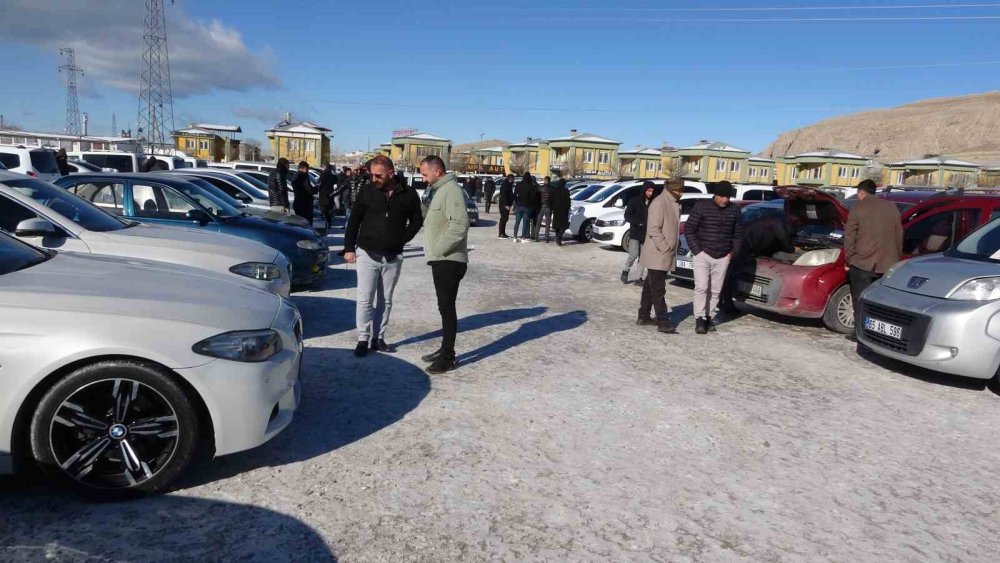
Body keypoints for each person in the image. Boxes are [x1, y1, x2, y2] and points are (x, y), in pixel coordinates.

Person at [343, 155, 423, 357]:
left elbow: (416, 221)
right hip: (367, 253)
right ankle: (363, 338)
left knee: (386, 300)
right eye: (371, 175)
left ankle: (378, 338)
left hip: (393, 257)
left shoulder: (408, 194)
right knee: (365, 299)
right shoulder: (367, 191)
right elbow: (354, 220)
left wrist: (401, 240)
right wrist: (349, 248)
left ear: (391, 173)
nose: (374, 179)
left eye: (378, 175)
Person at [418, 155, 471, 374]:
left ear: (437, 171)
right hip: (441, 259)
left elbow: (460, 224)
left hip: (449, 259)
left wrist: (439, 249)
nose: (423, 179)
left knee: (447, 308)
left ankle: (448, 356)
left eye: (424, 174)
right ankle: (444, 349)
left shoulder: (452, 191)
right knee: (444, 307)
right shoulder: (438, 191)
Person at [845, 178, 902, 340]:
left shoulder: (858, 208)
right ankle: (879, 334)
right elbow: (899, 235)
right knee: (881, 303)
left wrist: (850, 257)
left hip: (862, 263)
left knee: (860, 301)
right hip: (887, 264)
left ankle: (859, 333)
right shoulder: (892, 208)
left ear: (861, 193)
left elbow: (850, 236)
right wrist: (896, 258)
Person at [685, 181, 744, 334]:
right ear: (716, 195)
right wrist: (697, 251)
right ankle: (699, 318)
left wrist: (732, 253)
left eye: (728, 197)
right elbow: (689, 229)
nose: (726, 199)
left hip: (723, 256)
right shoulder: (701, 207)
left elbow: (738, 235)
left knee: (716, 290)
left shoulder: (735, 211)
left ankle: (708, 317)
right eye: (723, 196)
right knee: (702, 287)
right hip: (703, 254)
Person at [718, 213, 795, 315]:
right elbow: (786, 244)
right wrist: (792, 248)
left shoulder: (766, 220)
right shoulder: (777, 224)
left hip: (737, 243)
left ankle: (721, 300)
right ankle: (726, 304)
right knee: (730, 276)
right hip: (743, 246)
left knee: (728, 275)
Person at [638, 179, 684, 333]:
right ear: (673, 190)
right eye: (680, 189)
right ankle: (663, 322)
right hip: (657, 253)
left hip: (662, 253)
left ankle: (643, 316)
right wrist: (665, 247)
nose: (682, 192)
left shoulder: (672, 202)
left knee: (650, 286)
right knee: (658, 289)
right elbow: (653, 229)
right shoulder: (659, 203)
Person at [621, 181, 658, 284]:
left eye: (652, 191)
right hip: (635, 233)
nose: (650, 193)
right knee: (633, 254)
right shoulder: (634, 201)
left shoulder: (653, 203)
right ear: (644, 190)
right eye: (649, 190)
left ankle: (638, 278)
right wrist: (637, 222)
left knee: (643, 257)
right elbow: (627, 215)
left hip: (647, 234)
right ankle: (625, 270)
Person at [513, 172, 536, 243]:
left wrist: (516, 203)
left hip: (519, 205)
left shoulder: (518, 184)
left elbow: (515, 194)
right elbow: (533, 197)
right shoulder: (531, 186)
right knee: (525, 223)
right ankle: (523, 237)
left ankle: (515, 237)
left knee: (517, 222)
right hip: (527, 206)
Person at [291, 161, 315, 226]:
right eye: (307, 169)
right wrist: (316, 188)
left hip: (297, 202)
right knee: (307, 223)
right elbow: (310, 190)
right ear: (304, 168)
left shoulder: (294, 176)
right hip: (305, 204)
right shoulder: (304, 176)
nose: (308, 171)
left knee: (299, 222)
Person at [549, 178, 572, 246]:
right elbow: (568, 200)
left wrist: (552, 208)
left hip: (556, 210)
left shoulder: (554, 190)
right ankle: (558, 238)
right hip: (563, 210)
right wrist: (568, 207)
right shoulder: (565, 190)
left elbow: (551, 199)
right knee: (564, 226)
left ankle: (558, 238)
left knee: (557, 226)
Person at [532, 176, 554, 242]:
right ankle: (546, 238)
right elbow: (553, 199)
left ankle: (536, 237)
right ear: (549, 181)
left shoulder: (539, 188)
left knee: (538, 223)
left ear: (544, 181)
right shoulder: (552, 189)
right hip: (548, 207)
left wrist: (537, 206)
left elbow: (537, 198)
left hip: (540, 207)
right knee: (547, 224)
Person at [318, 164, 337, 233]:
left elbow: (319, 184)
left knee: (324, 210)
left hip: (322, 195)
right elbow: (335, 183)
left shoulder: (322, 176)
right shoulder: (333, 176)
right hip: (330, 195)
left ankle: (325, 223)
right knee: (329, 209)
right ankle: (329, 222)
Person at [497, 174, 515, 238]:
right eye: (513, 179)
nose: (513, 180)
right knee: (503, 219)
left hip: (507, 205)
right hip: (504, 205)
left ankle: (503, 232)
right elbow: (504, 195)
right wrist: (506, 204)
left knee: (505, 218)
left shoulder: (509, 185)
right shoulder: (505, 185)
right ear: (510, 179)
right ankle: (501, 233)